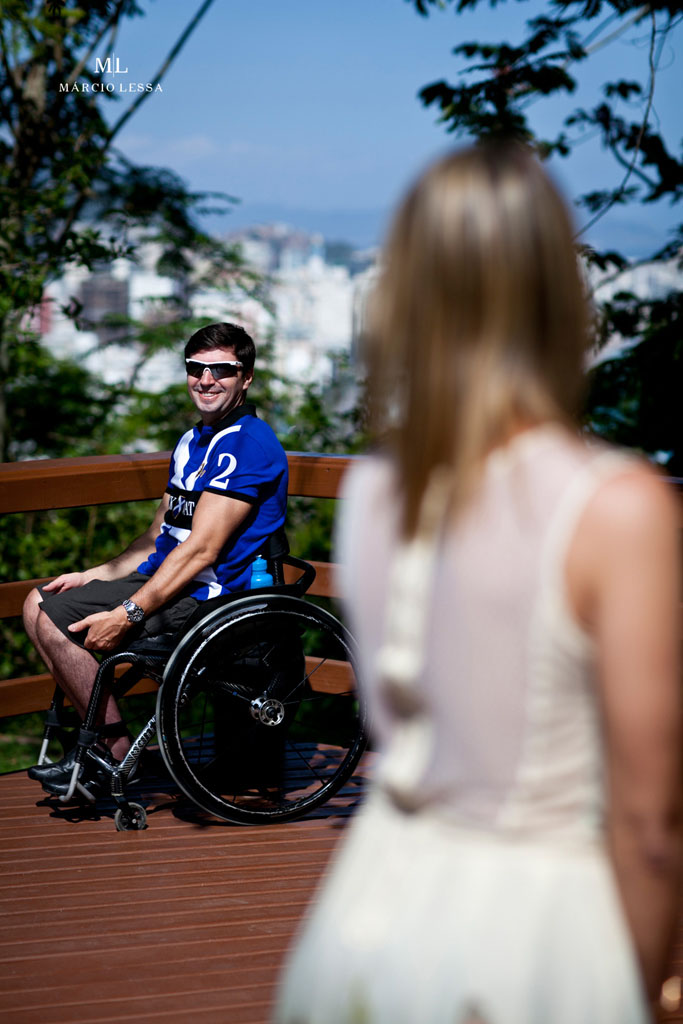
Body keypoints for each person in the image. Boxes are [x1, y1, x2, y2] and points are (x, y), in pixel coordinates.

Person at [275, 142, 682, 1023]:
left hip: (373, 900)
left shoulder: (375, 489)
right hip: (536, 932)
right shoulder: (616, 508)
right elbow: (650, 829)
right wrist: (639, 988)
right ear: (554, 288)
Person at [24, 321, 288, 794]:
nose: (206, 380)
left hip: (213, 597)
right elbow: (159, 535)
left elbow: (202, 549)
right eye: (195, 368)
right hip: (169, 579)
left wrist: (128, 613)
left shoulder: (247, 444)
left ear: (245, 377)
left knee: (52, 621)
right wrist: (94, 575)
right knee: (37, 602)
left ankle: (111, 752)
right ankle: (110, 748)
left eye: (221, 370)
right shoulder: (193, 442)